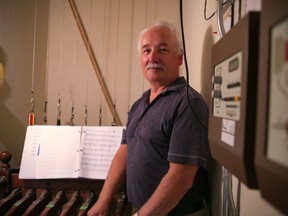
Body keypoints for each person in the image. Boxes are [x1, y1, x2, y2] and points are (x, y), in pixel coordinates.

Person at [88, 21, 210, 216]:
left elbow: (181, 179)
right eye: (146, 51)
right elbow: (123, 153)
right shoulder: (139, 104)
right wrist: (104, 199)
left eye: (162, 49)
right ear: (140, 59)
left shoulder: (188, 103)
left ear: (179, 58)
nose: (153, 57)